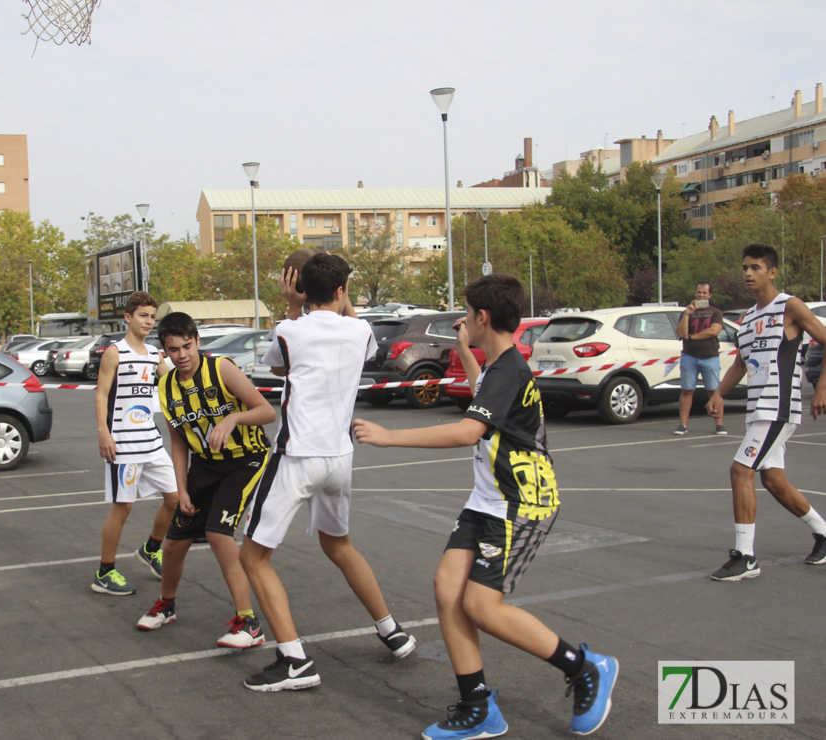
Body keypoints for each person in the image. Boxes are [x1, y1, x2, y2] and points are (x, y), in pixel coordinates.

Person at [352, 274, 618, 738]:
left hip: (521, 502)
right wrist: (462, 349)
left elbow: (468, 431)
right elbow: (483, 401)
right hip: (489, 500)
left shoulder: (510, 369)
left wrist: (390, 436)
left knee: (482, 606)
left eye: (468, 313)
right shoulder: (501, 367)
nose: (465, 318)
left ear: (484, 317)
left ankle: (583, 667)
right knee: (446, 587)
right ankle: (478, 706)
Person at [239, 253, 416, 693]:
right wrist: (342, 294)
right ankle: (390, 629)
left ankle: (294, 659)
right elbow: (357, 330)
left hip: (298, 456)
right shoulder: (359, 329)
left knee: (252, 557)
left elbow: (278, 365)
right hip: (340, 458)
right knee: (339, 546)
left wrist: (292, 305)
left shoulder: (288, 329)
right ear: (341, 291)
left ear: (300, 287)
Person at [135, 312, 275, 648]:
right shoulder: (167, 387)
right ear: (164, 351)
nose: (181, 355)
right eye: (173, 349)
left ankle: (248, 622)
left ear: (197, 341)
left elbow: (267, 411)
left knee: (217, 533)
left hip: (246, 458)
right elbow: (179, 441)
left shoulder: (221, 368)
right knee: (174, 544)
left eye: (187, 346)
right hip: (205, 464)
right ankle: (166, 605)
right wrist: (182, 489)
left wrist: (233, 419)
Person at [706, 244, 826, 581]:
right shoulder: (748, 318)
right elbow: (741, 363)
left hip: (778, 407)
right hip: (758, 409)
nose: (748, 273)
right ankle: (823, 533)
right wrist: (719, 393)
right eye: (745, 267)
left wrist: (822, 389)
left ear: (771, 272)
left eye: (755, 267)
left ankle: (745, 557)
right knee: (774, 481)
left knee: (740, 470)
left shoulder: (790, 306)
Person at [91, 291, 179, 595]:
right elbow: (101, 394)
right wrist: (103, 431)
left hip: (151, 442)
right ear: (128, 318)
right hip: (123, 445)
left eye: (152, 317)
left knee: (176, 498)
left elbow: (175, 386)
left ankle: (151, 548)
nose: (148, 321)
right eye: (143, 315)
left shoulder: (156, 355)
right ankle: (105, 572)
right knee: (123, 506)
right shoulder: (114, 352)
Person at [673, 282, 727, 435]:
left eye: (704, 293)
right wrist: (687, 314)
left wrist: (692, 337)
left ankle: (719, 424)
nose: (701, 295)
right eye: (698, 292)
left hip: (709, 356)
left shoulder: (715, 312)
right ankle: (682, 425)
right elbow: (680, 333)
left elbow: (714, 331)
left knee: (714, 391)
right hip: (689, 356)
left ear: (710, 295)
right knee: (687, 390)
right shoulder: (686, 312)